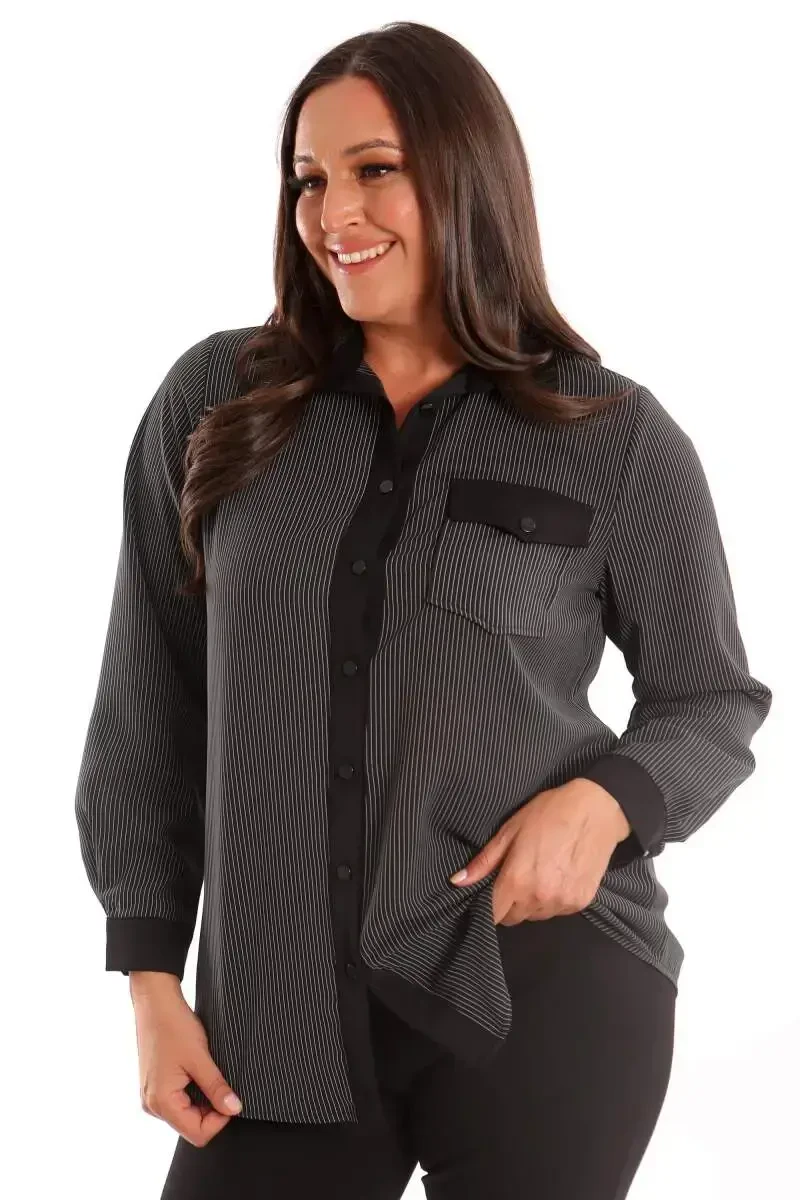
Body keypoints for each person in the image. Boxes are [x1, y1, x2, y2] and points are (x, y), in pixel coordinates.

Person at [74, 20, 772, 1200]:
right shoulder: (218, 404)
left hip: (538, 991)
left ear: (467, 174)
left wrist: (603, 801)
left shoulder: (611, 436)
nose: (333, 213)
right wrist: (148, 977)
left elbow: (709, 697)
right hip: (276, 1015)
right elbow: (150, 708)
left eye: (375, 169)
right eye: (309, 179)